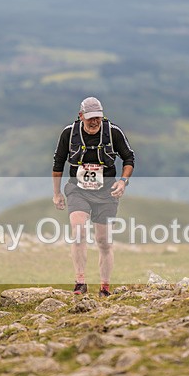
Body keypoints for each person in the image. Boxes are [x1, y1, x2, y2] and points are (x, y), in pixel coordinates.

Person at [52, 96, 135, 297]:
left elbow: (129, 158)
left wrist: (122, 181)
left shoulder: (113, 132)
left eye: (97, 117)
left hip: (107, 192)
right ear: (81, 116)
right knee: (79, 231)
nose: (94, 122)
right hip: (78, 190)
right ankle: (80, 283)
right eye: (90, 118)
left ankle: (104, 288)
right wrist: (56, 193)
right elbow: (58, 163)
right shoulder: (69, 133)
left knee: (104, 241)